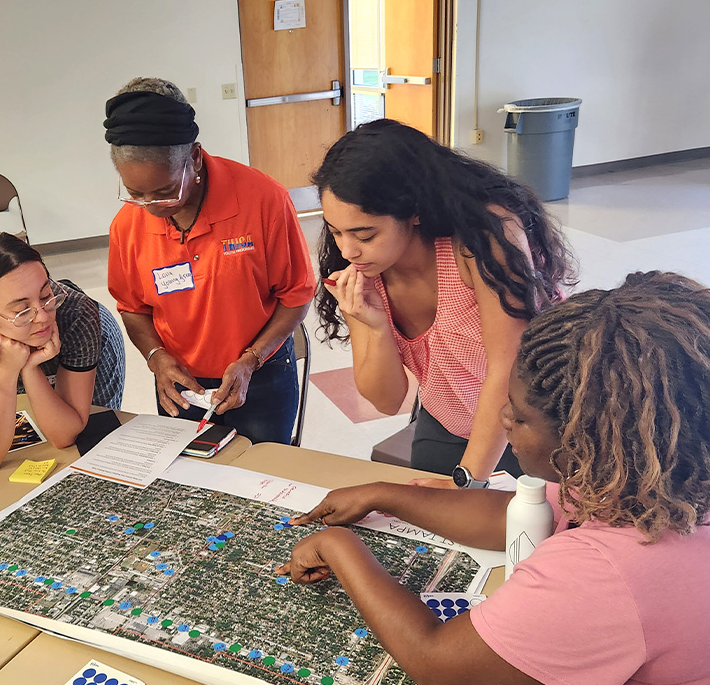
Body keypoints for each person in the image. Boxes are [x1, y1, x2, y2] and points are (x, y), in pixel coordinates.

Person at [277, 271, 710, 684]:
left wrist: (340, 546)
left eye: (520, 417)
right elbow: (522, 513)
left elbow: (441, 665)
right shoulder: (656, 472)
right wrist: (384, 494)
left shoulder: (612, 570)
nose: (503, 417)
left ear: (585, 438)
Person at [315, 119, 573, 487]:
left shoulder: (483, 239)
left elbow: (508, 365)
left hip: (537, 421)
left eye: (365, 234)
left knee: (532, 531)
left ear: (415, 209)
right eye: (335, 231)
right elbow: (386, 401)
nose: (347, 250)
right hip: (447, 419)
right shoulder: (362, 269)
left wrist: (467, 481)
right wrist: (374, 326)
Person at [105, 77, 316, 444]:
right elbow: (132, 307)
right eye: (137, 194)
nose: (152, 207)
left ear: (195, 158)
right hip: (180, 382)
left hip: (259, 373)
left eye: (166, 191)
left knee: (266, 480)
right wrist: (156, 357)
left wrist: (251, 359)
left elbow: (296, 295)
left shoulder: (263, 200)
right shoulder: (128, 225)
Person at [0, 233, 125, 470]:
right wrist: (4, 373)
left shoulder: (76, 314)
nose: (43, 317)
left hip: (92, 341)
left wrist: (31, 368)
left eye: (46, 295)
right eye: (22, 310)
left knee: (84, 442)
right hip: (3, 358)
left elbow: (65, 436)